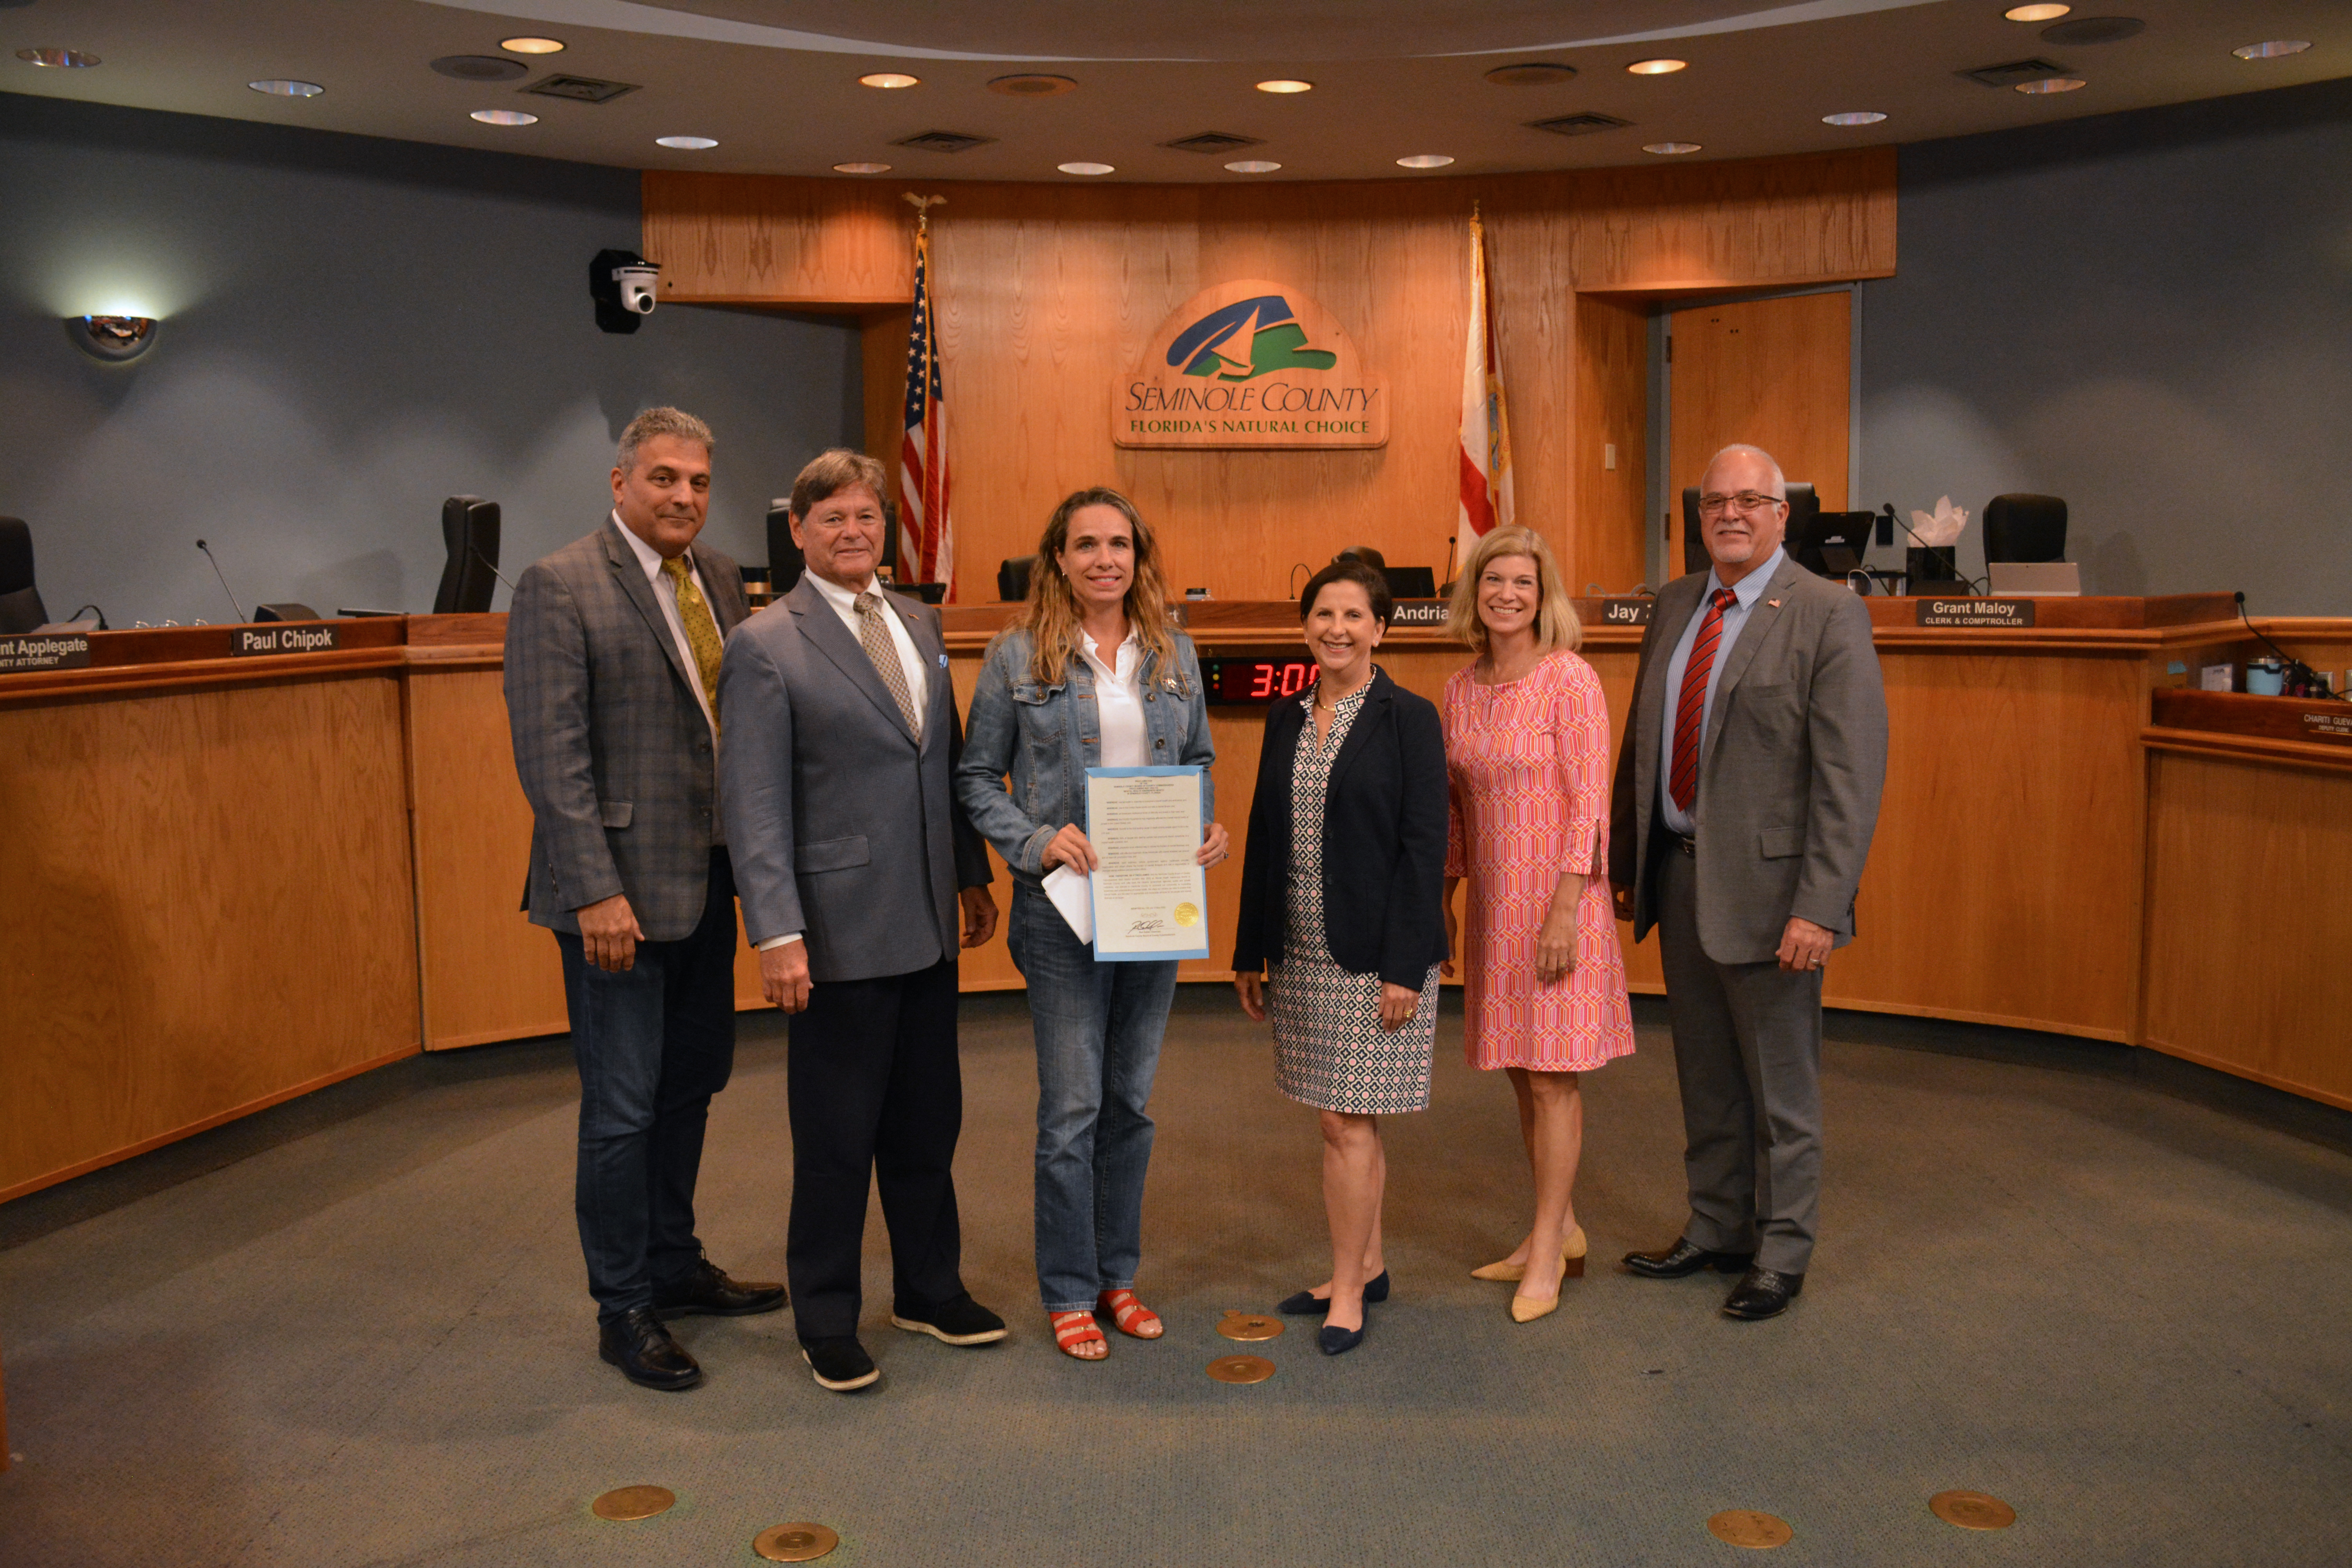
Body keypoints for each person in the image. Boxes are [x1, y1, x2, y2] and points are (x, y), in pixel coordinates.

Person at [505, 407, 786, 1393]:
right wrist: (593, 892)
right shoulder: (560, 582)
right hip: (615, 898)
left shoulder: (714, 578)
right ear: (620, 482)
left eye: (701, 482)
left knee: (693, 1080)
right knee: (622, 1108)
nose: (685, 498)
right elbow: (553, 757)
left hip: (710, 879)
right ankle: (622, 1305)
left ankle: (674, 1262)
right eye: (665, 478)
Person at [718, 448, 1002, 1393]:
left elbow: (944, 760)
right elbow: (752, 802)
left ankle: (929, 1287)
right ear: (798, 531)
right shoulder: (766, 642)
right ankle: (827, 1316)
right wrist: (777, 931)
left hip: (925, 917)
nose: (853, 531)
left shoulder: (917, 622)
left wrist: (970, 874)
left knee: (929, 1121)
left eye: (868, 516)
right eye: (832, 516)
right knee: (837, 1135)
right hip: (833, 933)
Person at [1609, 443, 1887, 1321]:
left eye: (1749, 500)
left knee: (1780, 1086)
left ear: (1782, 514)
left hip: (1775, 898)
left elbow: (1850, 775)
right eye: (1715, 501)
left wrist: (1822, 902)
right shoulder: (1678, 603)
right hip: (1683, 877)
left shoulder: (1827, 612)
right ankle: (1718, 1224)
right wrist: (1630, 863)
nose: (1730, 513)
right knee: (1706, 1072)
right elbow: (1644, 739)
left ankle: (1782, 1249)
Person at [955, 488, 1228, 1362]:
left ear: (1139, 558)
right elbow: (973, 779)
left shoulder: (1174, 651)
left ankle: (1119, 1274)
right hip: (1062, 914)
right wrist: (1036, 840)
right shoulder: (1015, 655)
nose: (1105, 559)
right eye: (1087, 545)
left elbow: (1195, 761)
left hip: (1154, 907)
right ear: (1059, 558)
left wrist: (1205, 828)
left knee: (1130, 1104)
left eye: (1120, 544)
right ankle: (1070, 1288)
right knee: (1072, 1108)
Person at [1231, 559, 1449, 1357]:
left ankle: (1349, 1287)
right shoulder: (1285, 716)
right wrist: (1250, 949)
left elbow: (1426, 848)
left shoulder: (1410, 718)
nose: (1337, 629)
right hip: (1300, 947)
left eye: (1355, 615)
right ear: (1305, 626)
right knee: (1338, 1117)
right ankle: (1372, 1260)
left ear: (1381, 629)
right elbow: (1263, 834)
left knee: (1347, 1123)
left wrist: (1402, 965)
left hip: (1374, 955)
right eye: (1324, 614)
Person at [1439, 525, 1635, 1324]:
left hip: (1561, 904)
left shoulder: (1570, 680)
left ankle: (1550, 1246)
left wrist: (1564, 910)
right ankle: (1560, 1225)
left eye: (1523, 582)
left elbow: (1590, 807)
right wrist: (1447, 897)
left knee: (1555, 1076)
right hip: (1495, 904)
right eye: (1494, 582)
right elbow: (1455, 806)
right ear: (1475, 594)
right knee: (1522, 1068)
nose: (1508, 595)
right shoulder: (1460, 687)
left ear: (1542, 592)